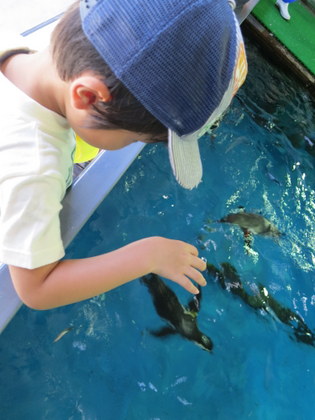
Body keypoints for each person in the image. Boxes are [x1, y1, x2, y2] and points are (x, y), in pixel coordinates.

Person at [0, 0, 247, 310]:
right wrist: (148, 255)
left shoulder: (16, 44)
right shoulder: (34, 170)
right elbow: (37, 288)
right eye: (134, 137)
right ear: (87, 97)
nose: (131, 143)